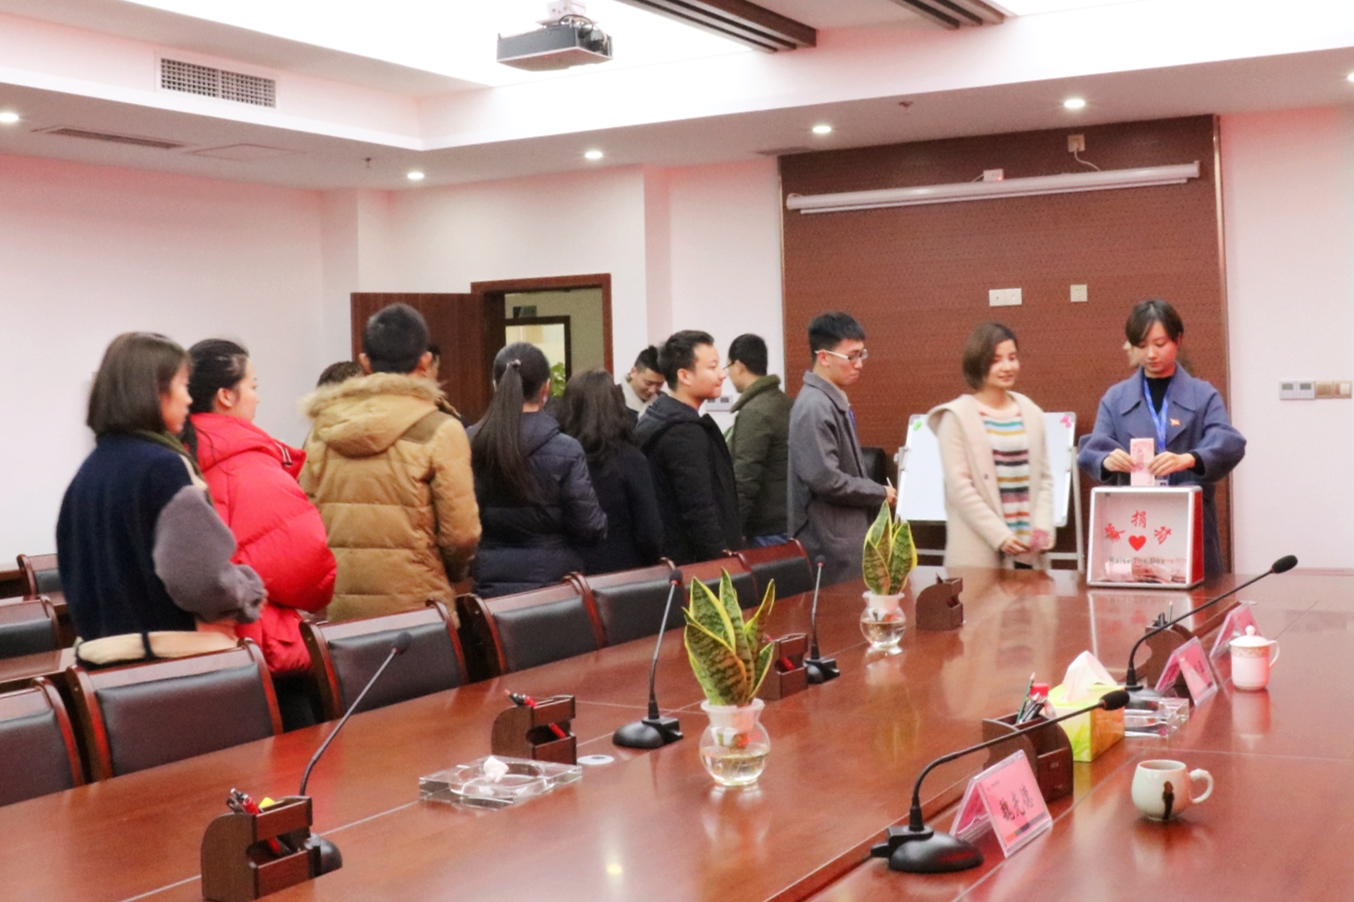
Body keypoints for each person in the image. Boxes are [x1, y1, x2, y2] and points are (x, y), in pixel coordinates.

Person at [56, 332, 264, 665]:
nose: (189, 399)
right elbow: (199, 578)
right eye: (183, 385)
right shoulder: (164, 468)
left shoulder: (86, 474)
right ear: (154, 392)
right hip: (173, 664)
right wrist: (247, 590)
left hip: (102, 667)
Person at [183, 339, 336, 725]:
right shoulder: (247, 465)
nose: (257, 397)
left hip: (195, 660)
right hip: (263, 652)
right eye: (253, 386)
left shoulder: (173, 456)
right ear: (226, 396)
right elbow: (310, 571)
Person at [301, 304, 480, 622]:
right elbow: (461, 534)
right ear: (424, 361)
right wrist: (448, 572)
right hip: (421, 609)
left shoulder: (323, 430)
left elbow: (307, 523)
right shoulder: (441, 429)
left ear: (364, 362)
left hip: (342, 609)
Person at [1078, 299, 1246, 577]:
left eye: (1160, 344)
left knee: (1195, 594)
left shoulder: (1203, 394)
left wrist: (1189, 459)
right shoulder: (1116, 398)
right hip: (1133, 520)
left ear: (1178, 340)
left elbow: (1229, 442)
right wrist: (1107, 460)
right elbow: (1092, 448)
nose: (1151, 354)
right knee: (1135, 597)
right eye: (1142, 346)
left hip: (1188, 518)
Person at [468, 343, 607, 597]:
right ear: (546, 388)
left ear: (496, 385)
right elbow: (589, 526)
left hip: (490, 581)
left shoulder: (470, 442)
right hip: (555, 586)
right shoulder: (566, 449)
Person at [926, 323, 1054, 569]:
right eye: (996, 360)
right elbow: (960, 488)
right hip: (979, 552)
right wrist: (1000, 536)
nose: (1008, 367)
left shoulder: (1031, 411)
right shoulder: (956, 418)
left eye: (1012, 358)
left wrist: (1043, 527)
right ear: (978, 363)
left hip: (1029, 553)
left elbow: (1045, 478)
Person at [788, 312, 894, 585]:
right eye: (851, 356)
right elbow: (826, 479)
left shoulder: (828, 399)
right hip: (830, 546)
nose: (859, 364)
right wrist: (878, 492)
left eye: (862, 354)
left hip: (843, 539)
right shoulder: (814, 406)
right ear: (824, 357)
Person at [635, 330, 742, 564]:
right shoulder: (683, 433)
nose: (722, 374)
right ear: (684, 376)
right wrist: (722, 563)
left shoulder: (658, 416)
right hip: (690, 565)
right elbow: (699, 511)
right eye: (712, 367)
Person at [558, 369, 664, 574]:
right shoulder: (631, 459)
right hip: (623, 573)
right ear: (616, 406)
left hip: (568, 572)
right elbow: (649, 532)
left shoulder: (558, 456)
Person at [726, 333, 793, 547]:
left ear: (738, 366)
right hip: (788, 520)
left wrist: (732, 532)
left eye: (727, 368)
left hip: (767, 529)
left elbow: (745, 478)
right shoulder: (785, 402)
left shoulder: (754, 412)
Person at [620, 345, 665, 418]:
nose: (652, 390)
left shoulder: (664, 402)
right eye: (648, 383)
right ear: (633, 372)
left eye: (659, 384)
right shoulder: (611, 399)